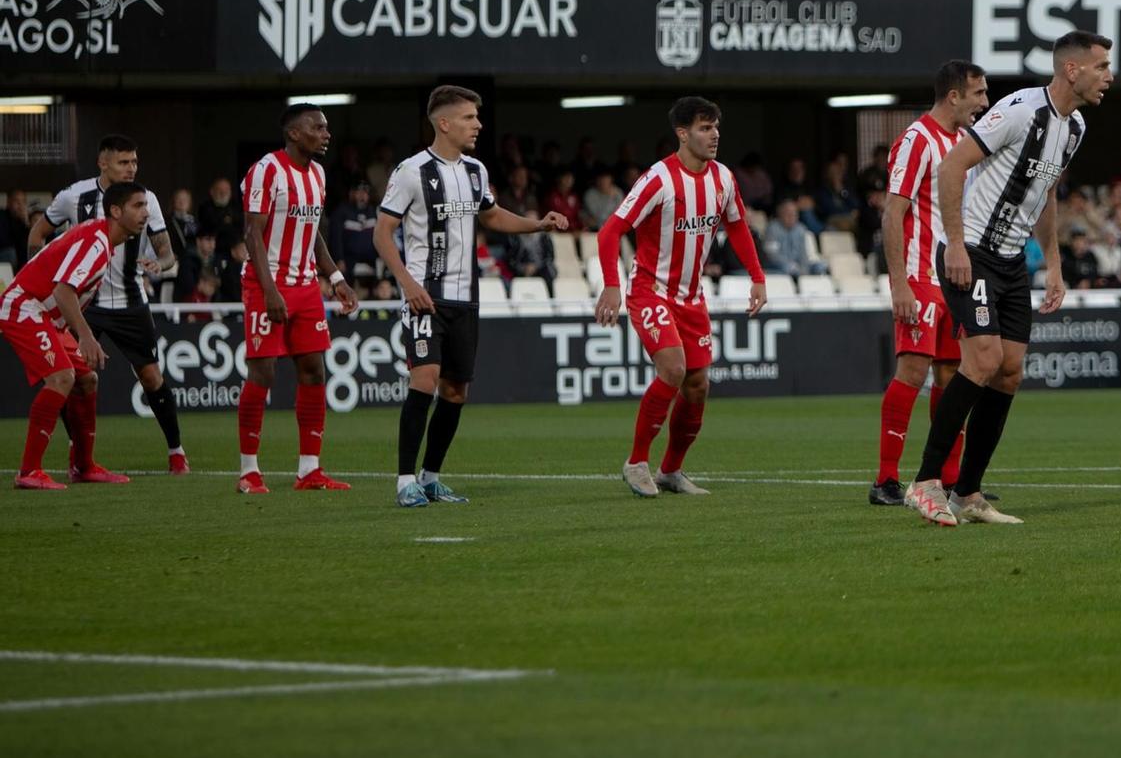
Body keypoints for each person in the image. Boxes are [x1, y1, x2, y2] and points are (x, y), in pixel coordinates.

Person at [905, 32, 1113, 528]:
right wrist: (955, 243)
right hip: (971, 250)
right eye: (1102, 66)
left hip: (1012, 260)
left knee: (1010, 370)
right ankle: (926, 481)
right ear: (1072, 70)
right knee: (984, 357)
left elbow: (1045, 192)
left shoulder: (1075, 126)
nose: (1109, 76)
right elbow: (952, 167)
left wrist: (1054, 265)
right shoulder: (1020, 109)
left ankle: (968, 493)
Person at [376, 86, 569, 508]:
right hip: (426, 298)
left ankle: (430, 477)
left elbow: (492, 215)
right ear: (443, 123)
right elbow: (382, 232)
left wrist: (538, 225)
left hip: (467, 299)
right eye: (468, 117)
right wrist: (407, 282)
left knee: (456, 391)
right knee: (424, 379)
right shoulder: (412, 172)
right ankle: (404, 480)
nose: (478, 124)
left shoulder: (476, 171)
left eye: (477, 118)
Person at [596, 97, 767, 499]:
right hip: (650, 291)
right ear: (682, 133)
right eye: (705, 128)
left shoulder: (723, 178)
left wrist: (757, 278)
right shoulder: (658, 179)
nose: (715, 135)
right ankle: (636, 462)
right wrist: (612, 284)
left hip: (692, 298)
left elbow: (739, 227)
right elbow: (609, 232)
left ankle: (671, 470)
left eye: (716, 127)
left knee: (697, 386)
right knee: (672, 369)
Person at [28, 135, 187, 475]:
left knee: (152, 378)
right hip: (83, 304)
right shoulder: (74, 196)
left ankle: (176, 450)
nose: (131, 169)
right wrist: (40, 281)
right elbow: (36, 235)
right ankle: (78, 451)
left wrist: (163, 262)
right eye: (123, 162)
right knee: (68, 378)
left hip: (131, 302)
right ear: (103, 163)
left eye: (134, 162)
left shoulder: (148, 199)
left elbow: (166, 249)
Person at [870, 59, 989, 507]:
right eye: (978, 94)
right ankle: (885, 479)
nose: (984, 103)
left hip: (954, 277)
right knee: (914, 370)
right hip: (920, 276)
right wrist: (898, 283)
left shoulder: (962, 143)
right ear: (954, 95)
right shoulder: (915, 140)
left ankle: (950, 479)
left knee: (952, 376)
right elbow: (892, 213)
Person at [236, 104, 360, 494]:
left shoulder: (319, 174)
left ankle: (309, 470)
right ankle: (248, 472)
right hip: (265, 285)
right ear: (294, 133)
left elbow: (312, 232)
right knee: (264, 373)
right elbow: (252, 234)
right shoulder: (265, 170)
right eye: (318, 127)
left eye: (326, 128)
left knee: (314, 371)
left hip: (306, 285)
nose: (326, 134)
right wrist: (269, 289)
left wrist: (336, 278)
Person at [3, 182, 151, 490]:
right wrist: (85, 336)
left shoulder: (100, 237)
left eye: (145, 206)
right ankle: (29, 471)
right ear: (115, 210)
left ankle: (84, 466)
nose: (145, 213)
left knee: (86, 380)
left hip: (45, 314)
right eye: (138, 206)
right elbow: (63, 290)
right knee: (62, 377)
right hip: (24, 306)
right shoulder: (97, 243)